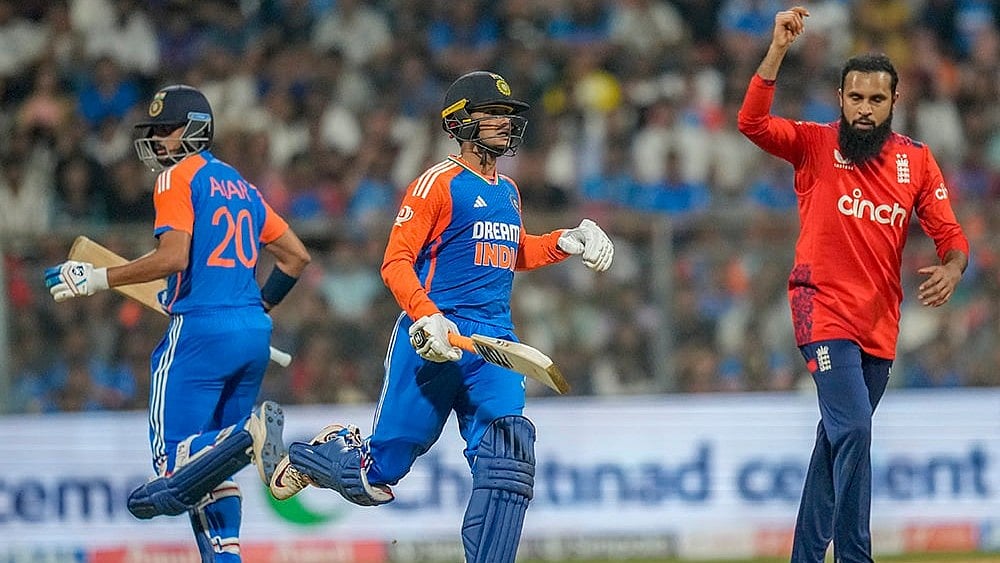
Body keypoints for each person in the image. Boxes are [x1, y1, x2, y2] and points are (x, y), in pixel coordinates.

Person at [268, 70, 614, 562]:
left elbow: (510, 251)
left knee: (509, 461)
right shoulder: (436, 184)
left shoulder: (508, 191)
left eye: (507, 114)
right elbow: (395, 262)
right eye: (492, 113)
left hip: (493, 345)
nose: (505, 122)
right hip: (432, 340)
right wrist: (427, 316)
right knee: (377, 477)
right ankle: (322, 453)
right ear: (460, 122)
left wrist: (565, 240)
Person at [737, 8, 970, 563]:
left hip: (879, 324)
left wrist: (953, 268)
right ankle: (855, 556)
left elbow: (951, 235)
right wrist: (777, 49)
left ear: (894, 101)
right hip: (820, 310)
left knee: (837, 440)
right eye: (856, 98)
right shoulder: (815, 144)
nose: (865, 109)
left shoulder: (916, 162)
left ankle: (804, 555)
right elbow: (752, 122)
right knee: (856, 430)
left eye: (876, 99)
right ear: (840, 99)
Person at [44, 84, 311, 561]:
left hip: (201, 334)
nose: (156, 140)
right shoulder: (243, 186)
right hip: (252, 334)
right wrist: (257, 308)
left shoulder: (175, 178)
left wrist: (97, 278)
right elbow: (295, 257)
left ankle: (246, 435)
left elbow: (173, 256)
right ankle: (225, 553)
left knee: (172, 462)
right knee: (208, 468)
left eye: (165, 129)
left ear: (194, 131)